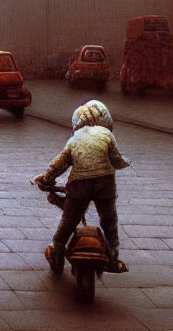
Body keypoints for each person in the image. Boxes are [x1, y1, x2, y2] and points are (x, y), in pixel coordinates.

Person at [32, 100, 130, 274]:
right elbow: (117, 160)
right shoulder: (107, 135)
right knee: (109, 221)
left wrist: (46, 180)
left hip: (79, 184)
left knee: (68, 222)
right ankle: (113, 259)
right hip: (104, 184)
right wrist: (127, 162)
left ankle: (57, 256)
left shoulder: (74, 139)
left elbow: (58, 165)